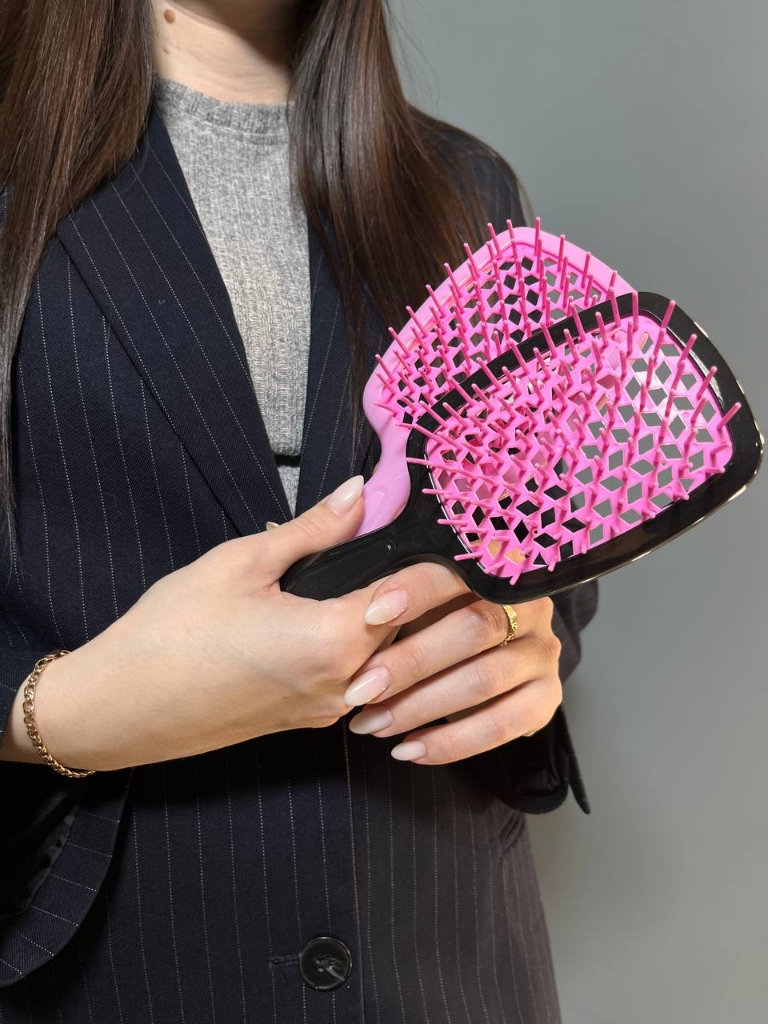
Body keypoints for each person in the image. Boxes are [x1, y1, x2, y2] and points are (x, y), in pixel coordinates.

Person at [0, 1, 597, 1020]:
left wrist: (521, 642)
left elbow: (548, 565)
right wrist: (62, 711)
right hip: (107, 971)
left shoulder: (469, 189)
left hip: (446, 964)